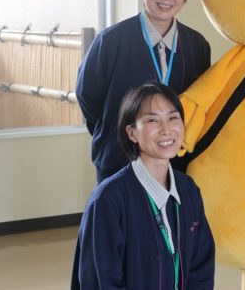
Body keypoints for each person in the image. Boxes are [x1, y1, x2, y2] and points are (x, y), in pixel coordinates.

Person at [76, 0, 211, 183]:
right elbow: (88, 97)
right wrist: (117, 130)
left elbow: (200, 102)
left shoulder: (197, 45)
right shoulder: (110, 41)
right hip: (119, 159)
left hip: (175, 163)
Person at [71, 82, 215, 290]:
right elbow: (100, 282)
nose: (166, 130)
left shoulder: (189, 190)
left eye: (173, 118)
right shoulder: (107, 201)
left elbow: (201, 269)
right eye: (152, 120)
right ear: (132, 133)